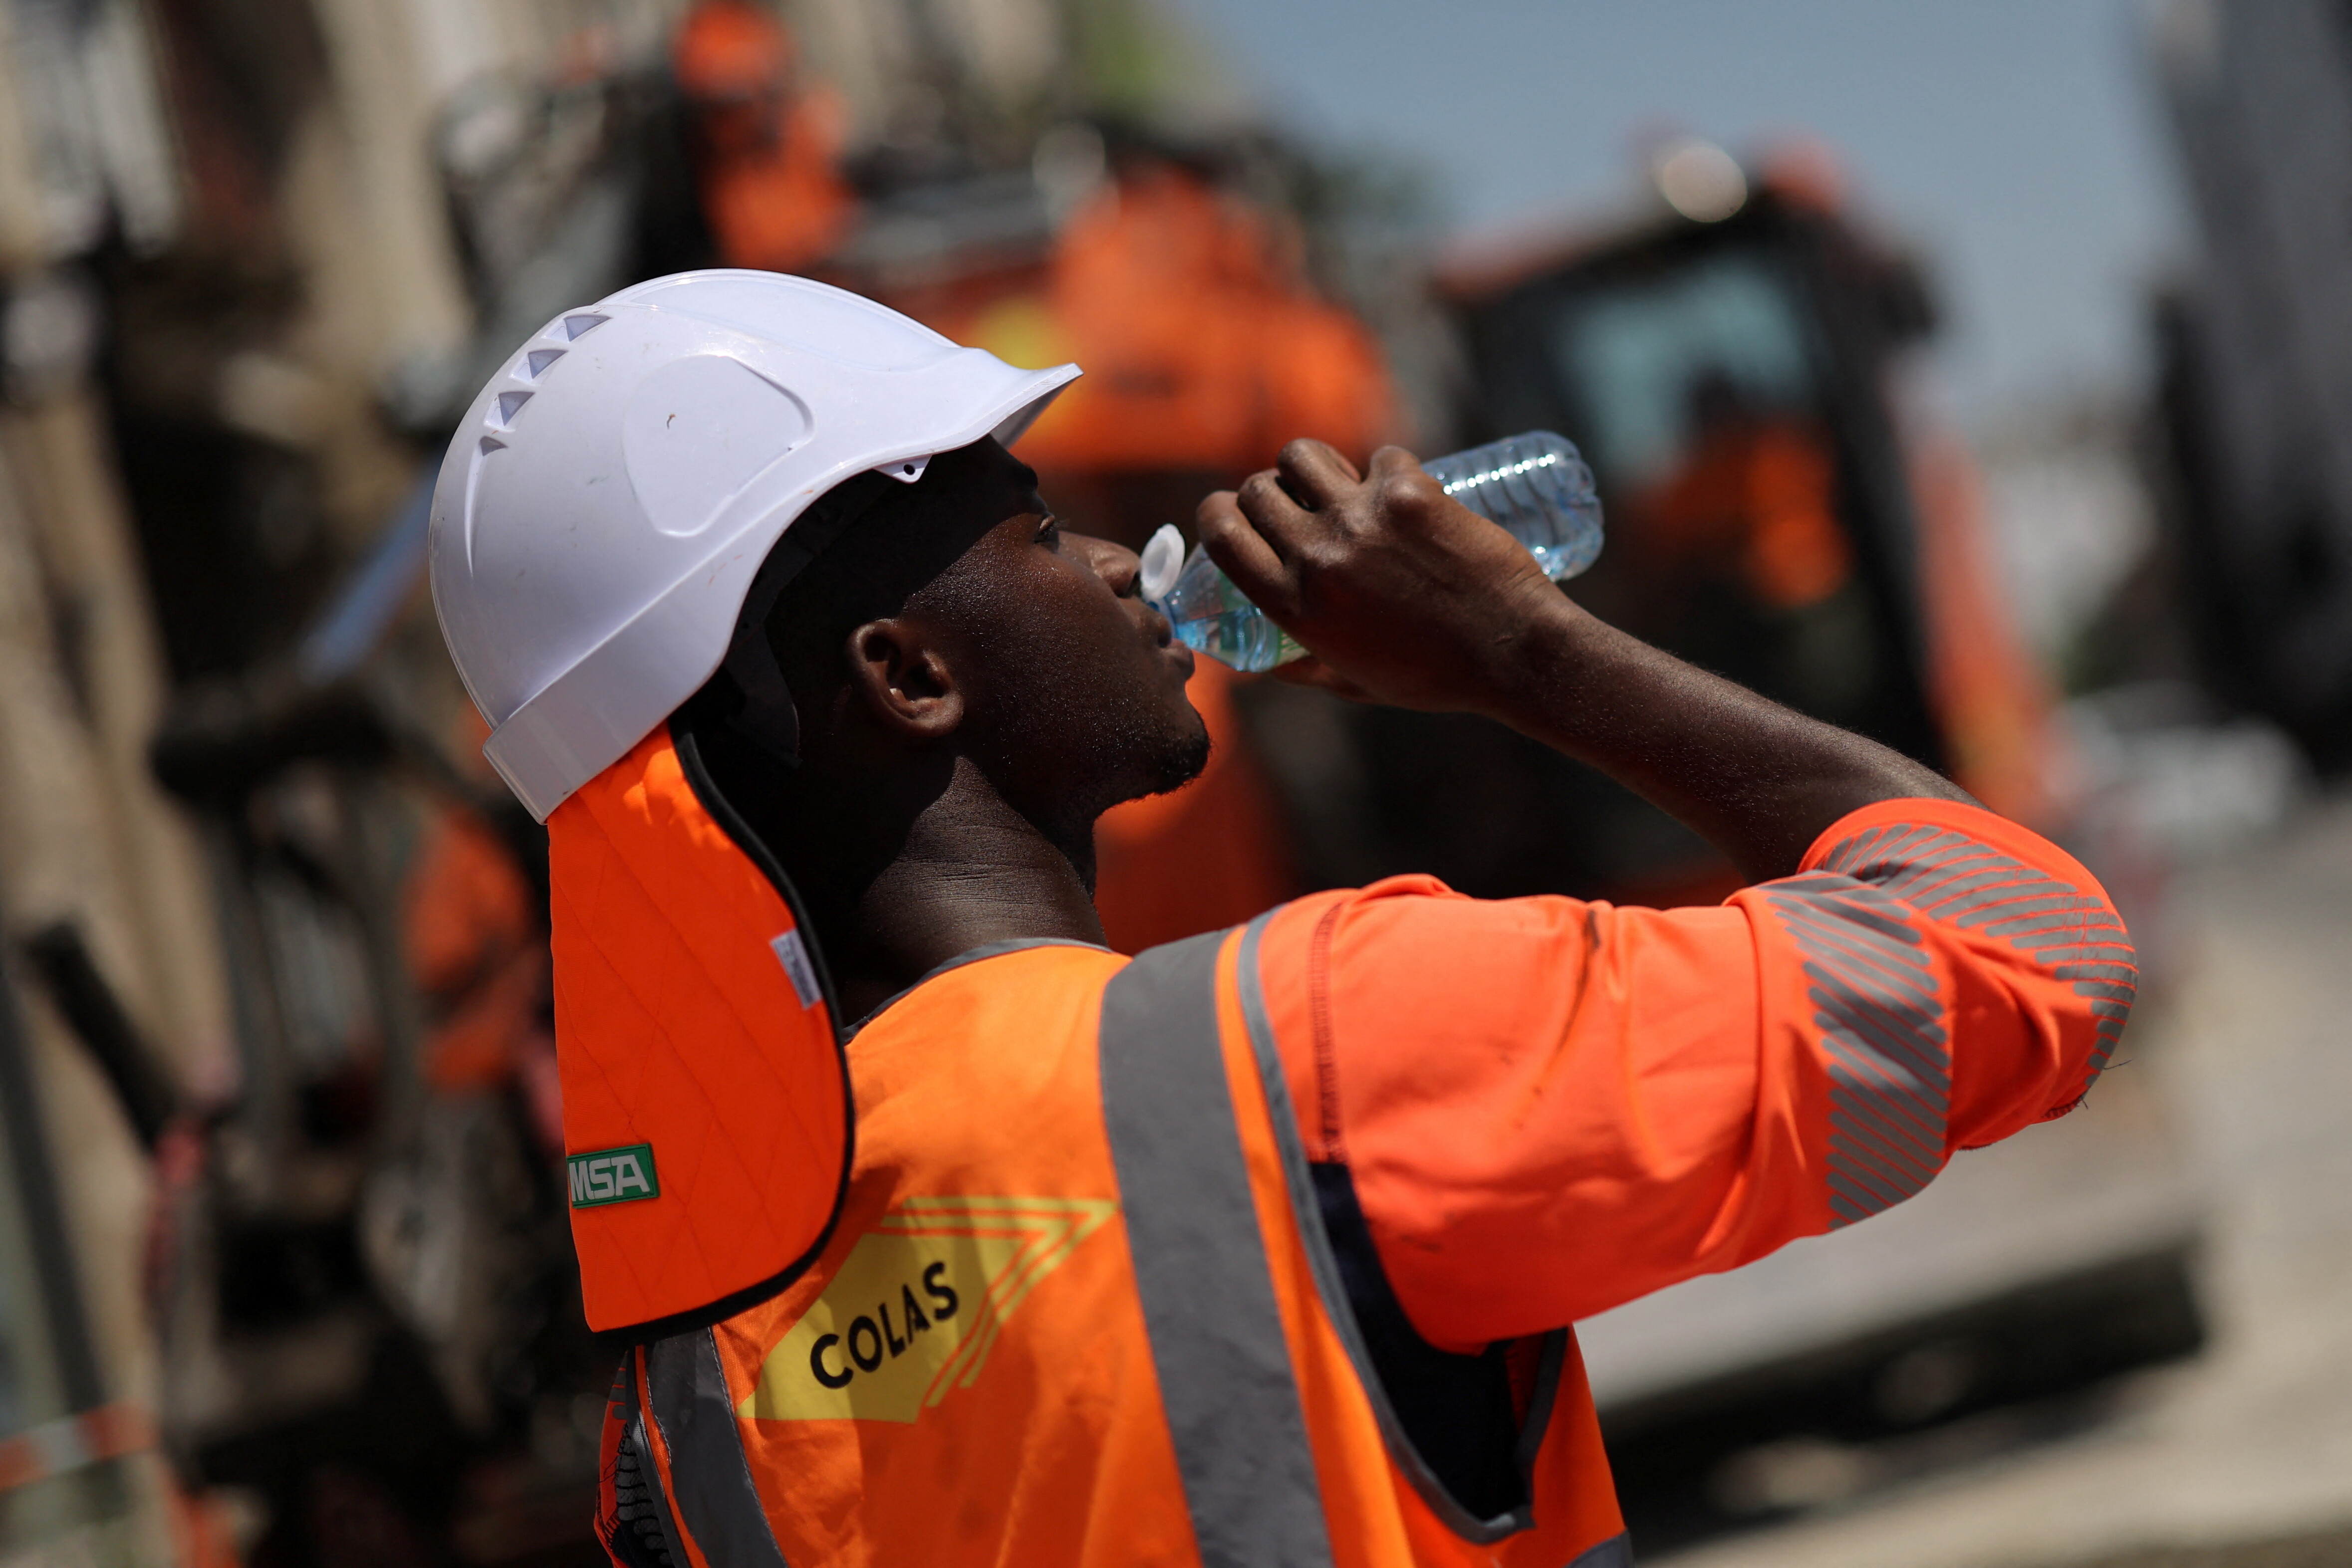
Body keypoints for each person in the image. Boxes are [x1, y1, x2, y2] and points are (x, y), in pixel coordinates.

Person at [427, 272, 2132, 1568]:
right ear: (907, 673)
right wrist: (1525, 657)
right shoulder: (1313, 1050)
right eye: (1031, 529)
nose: (1112, 560)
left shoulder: (701, 1377)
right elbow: (2022, 950)